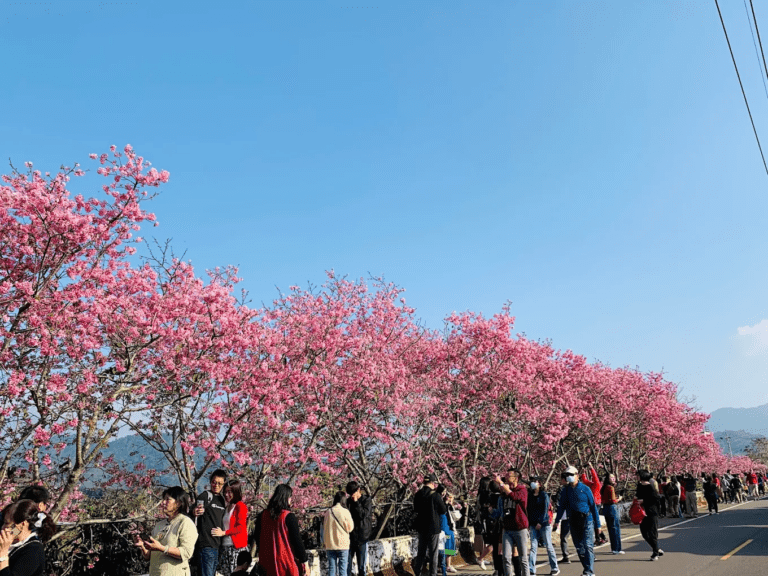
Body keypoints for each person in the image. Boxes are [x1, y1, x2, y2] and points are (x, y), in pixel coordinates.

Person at [135, 486, 198, 576]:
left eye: (168, 500)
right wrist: (142, 546)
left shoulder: (185, 523)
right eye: (163, 499)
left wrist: (162, 548)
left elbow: (186, 553)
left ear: (179, 503)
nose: (163, 502)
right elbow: (149, 556)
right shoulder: (159, 525)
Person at [251, 484, 308, 576]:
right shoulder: (288, 517)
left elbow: (257, 538)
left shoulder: (262, 515)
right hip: (285, 564)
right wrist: (305, 562)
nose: (291, 500)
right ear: (286, 498)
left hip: (266, 563)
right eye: (290, 497)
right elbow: (297, 542)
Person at [553, 469, 601, 576]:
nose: (569, 477)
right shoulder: (565, 491)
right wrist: (557, 521)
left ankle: (589, 571)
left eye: (571, 474)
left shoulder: (585, 489)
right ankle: (587, 568)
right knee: (579, 547)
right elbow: (561, 507)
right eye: (567, 475)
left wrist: (597, 524)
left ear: (577, 476)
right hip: (573, 521)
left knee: (588, 545)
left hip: (586, 520)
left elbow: (593, 507)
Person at [0, 499, 57, 576]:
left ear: (22, 524)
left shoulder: (33, 551)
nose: (3, 528)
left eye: (7, 523)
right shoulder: (13, 543)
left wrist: (3, 555)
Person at [491, 468, 530, 576]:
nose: (507, 478)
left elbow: (515, 497)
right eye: (506, 476)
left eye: (510, 476)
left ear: (516, 478)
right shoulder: (505, 492)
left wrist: (503, 485)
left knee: (523, 558)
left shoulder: (522, 489)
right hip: (507, 528)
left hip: (520, 527)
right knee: (506, 557)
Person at [411, 474, 447, 576]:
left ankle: (417, 572)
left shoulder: (418, 494)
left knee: (421, 552)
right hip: (433, 527)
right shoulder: (435, 495)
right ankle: (433, 573)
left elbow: (416, 509)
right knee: (433, 553)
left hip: (422, 527)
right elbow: (443, 510)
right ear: (433, 483)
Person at [212, 480, 249, 576]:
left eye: (230, 492)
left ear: (236, 492)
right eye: (225, 492)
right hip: (225, 548)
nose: (227, 494)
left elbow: (240, 527)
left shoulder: (240, 506)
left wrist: (223, 533)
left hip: (236, 548)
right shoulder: (226, 507)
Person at [194, 469, 228, 576]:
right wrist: (195, 511)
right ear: (210, 482)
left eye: (220, 483)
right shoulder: (205, 496)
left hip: (217, 546)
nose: (216, 485)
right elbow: (194, 509)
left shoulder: (222, 500)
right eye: (214, 482)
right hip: (206, 545)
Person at [526, 477, 559, 576]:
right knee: (533, 547)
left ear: (539, 483)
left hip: (544, 524)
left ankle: (554, 567)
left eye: (535, 482)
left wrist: (540, 522)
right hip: (533, 524)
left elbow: (545, 510)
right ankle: (531, 569)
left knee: (548, 546)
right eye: (531, 482)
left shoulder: (544, 495)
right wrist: (530, 522)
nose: (533, 484)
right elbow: (529, 510)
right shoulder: (530, 496)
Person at [323, 491, 354, 576]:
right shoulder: (345, 512)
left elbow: (324, 528)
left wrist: (324, 542)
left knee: (332, 569)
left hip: (330, 544)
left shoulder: (328, 512)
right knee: (343, 570)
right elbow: (350, 528)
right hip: (342, 544)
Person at [345, 481, 372, 576]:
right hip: (350, 537)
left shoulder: (366, 500)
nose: (352, 495)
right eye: (350, 493)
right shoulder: (348, 502)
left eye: (353, 492)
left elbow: (362, 515)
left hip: (362, 537)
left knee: (361, 566)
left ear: (358, 490)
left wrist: (356, 502)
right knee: (347, 565)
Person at [635, 470, 663, 561]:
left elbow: (656, 499)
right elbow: (638, 496)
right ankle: (657, 549)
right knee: (644, 533)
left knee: (652, 533)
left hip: (651, 512)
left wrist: (644, 501)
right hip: (642, 512)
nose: (637, 477)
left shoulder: (650, 486)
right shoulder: (639, 486)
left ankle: (655, 553)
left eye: (638, 475)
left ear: (642, 476)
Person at [599, 473, 624, 555]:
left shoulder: (603, 487)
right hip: (612, 508)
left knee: (611, 528)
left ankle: (614, 548)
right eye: (611, 477)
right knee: (616, 528)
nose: (613, 478)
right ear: (607, 479)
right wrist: (619, 498)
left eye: (614, 477)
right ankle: (617, 548)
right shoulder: (610, 488)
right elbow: (613, 500)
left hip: (606, 508)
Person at [473, 477, 493, 570]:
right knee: (492, 542)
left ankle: (483, 559)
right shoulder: (486, 495)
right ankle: (480, 558)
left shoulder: (480, 494)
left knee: (486, 541)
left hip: (482, 519)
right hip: (487, 520)